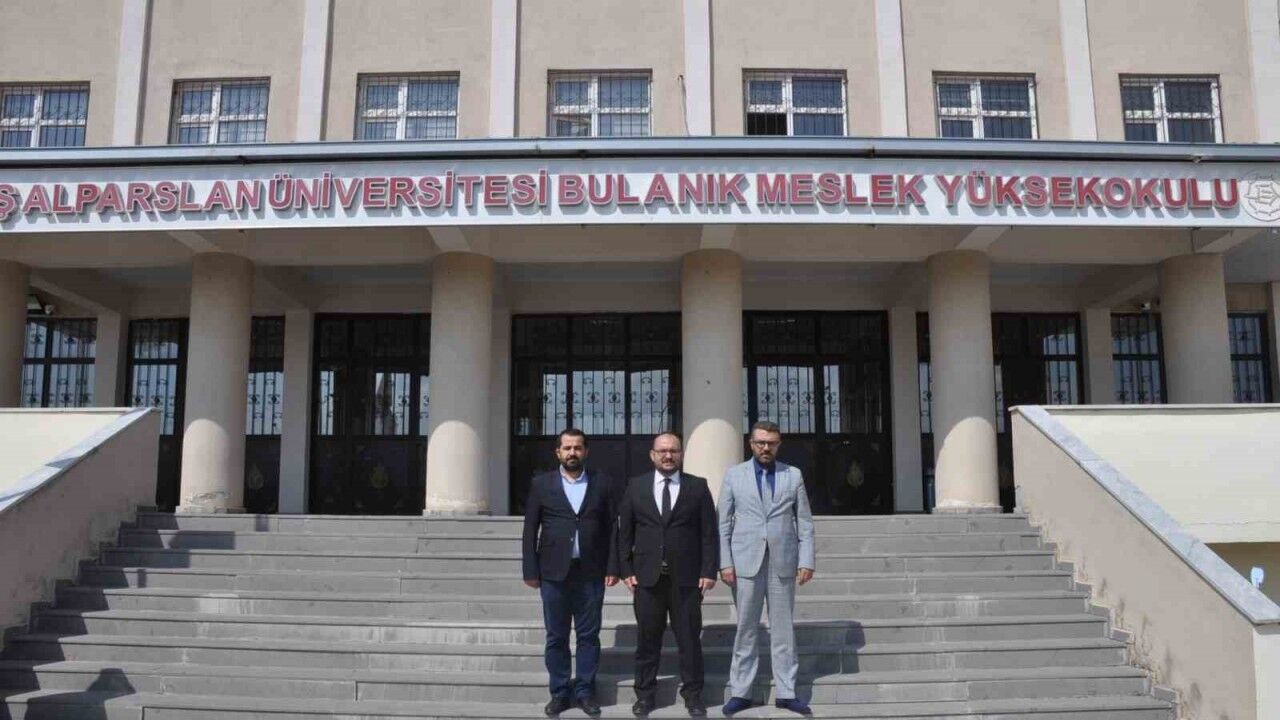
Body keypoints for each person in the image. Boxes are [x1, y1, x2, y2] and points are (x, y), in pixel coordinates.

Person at [717, 420, 816, 716]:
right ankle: (741, 692)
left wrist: (807, 560)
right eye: (760, 442)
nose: (765, 448)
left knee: (783, 630)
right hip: (745, 561)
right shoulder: (734, 475)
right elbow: (723, 523)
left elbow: (805, 522)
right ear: (751, 444)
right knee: (746, 629)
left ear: (778, 445)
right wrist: (725, 561)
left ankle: (786, 692)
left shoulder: (792, 475)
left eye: (771, 443)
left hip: (783, 561)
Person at [617, 432, 718, 717]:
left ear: (681, 454)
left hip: (687, 580)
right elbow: (624, 533)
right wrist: (626, 569)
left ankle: (693, 696)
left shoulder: (697, 487)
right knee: (647, 641)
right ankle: (645, 695)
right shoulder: (636, 486)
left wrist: (708, 570)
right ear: (652, 455)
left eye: (673, 450)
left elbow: (708, 533)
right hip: (647, 579)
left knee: (689, 641)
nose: (668, 455)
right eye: (662, 451)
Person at [521, 428, 620, 717]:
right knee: (556, 636)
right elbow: (530, 529)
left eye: (577, 447)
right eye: (567, 448)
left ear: (585, 451)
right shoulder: (542, 484)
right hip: (553, 573)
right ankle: (560, 692)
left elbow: (612, 528)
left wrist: (613, 566)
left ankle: (585, 691)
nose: (572, 452)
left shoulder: (603, 482)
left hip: (591, 571)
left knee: (589, 636)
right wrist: (530, 569)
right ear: (558, 452)